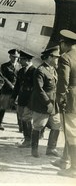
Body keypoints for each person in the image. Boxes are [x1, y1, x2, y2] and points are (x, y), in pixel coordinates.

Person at [30, 46, 61, 158]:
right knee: (39, 125)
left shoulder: (53, 69)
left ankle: (51, 149)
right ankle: (34, 149)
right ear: (49, 57)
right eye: (56, 57)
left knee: (56, 125)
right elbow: (39, 89)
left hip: (53, 103)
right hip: (43, 104)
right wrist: (47, 103)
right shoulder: (40, 70)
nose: (57, 59)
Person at [56, 29, 76, 178]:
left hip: (71, 101)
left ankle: (74, 169)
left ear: (64, 43)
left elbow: (63, 82)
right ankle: (66, 161)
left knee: (71, 134)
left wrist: (60, 99)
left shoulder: (65, 58)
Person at [11, 50, 36, 148]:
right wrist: (13, 97)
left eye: (21, 59)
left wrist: (32, 101)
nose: (19, 61)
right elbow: (17, 86)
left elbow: (35, 88)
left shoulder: (34, 71)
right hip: (21, 99)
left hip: (29, 100)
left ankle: (28, 140)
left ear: (27, 60)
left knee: (27, 119)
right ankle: (26, 138)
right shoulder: (21, 71)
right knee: (22, 119)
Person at [0, 49, 20, 131]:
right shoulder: (4, 66)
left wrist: (16, 86)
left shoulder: (20, 66)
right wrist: (11, 85)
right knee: (3, 107)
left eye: (17, 57)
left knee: (18, 107)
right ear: (10, 56)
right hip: (6, 90)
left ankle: (20, 125)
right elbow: (3, 77)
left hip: (16, 90)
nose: (15, 59)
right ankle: (0, 123)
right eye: (13, 57)